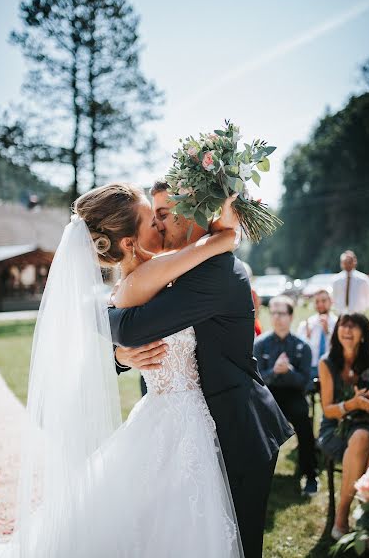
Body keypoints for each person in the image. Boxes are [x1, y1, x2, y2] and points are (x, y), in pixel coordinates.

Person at [0, 183, 245, 558]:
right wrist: (225, 210)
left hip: (173, 416)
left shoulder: (140, 277)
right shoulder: (148, 277)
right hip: (178, 420)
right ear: (130, 243)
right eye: (154, 219)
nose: (163, 225)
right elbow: (223, 241)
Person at [110, 180, 293, 558]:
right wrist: (120, 356)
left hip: (237, 432)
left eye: (163, 215)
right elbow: (133, 323)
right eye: (154, 217)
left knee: (237, 548)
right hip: (184, 432)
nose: (157, 225)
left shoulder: (217, 271)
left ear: (191, 211)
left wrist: (108, 325)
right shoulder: (175, 268)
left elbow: (131, 325)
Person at [254, 295, 318, 496]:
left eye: (282, 313)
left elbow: (305, 382)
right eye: (273, 313)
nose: (277, 317)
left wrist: (288, 371)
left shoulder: (303, 345)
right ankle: (258, 474)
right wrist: (274, 371)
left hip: (294, 394)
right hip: (268, 395)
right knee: (256, 424)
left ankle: (310, 474)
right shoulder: (260, 344)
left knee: (303, 420)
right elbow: (256, 379)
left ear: (291, 317)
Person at [317, 312, 369, 540]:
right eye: (343, 325)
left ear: (363, 334)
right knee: (361, 439)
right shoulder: (327, 363)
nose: (347, 330)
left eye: (353, 326)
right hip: (336, 429)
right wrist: (355, 403)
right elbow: (328, 409)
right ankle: (343, 514)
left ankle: (365, 521)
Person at [297, 289, 337, 383]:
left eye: (323, 301)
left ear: (331, 301)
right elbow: (299, 348)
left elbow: (338, 347)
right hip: (312, 367)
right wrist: (307, 337)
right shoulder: (307, 324)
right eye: (317, 301)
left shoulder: (337, 323)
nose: (320, 304)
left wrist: (328, 332)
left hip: (332, 366)